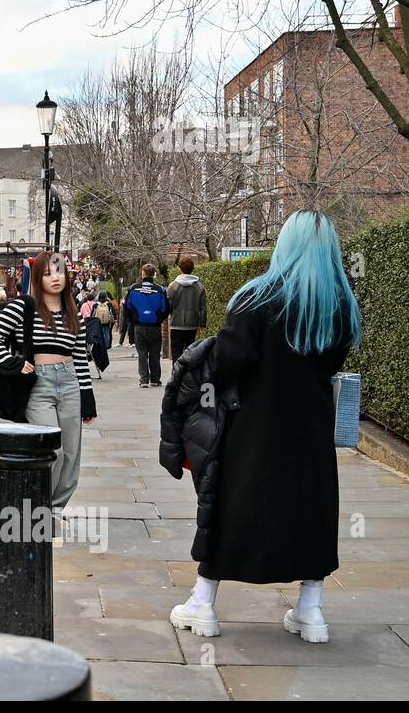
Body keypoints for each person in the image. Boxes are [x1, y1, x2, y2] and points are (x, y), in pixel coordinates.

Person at [169, 210, 360, 644]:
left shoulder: (257, 298)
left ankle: (203, 603)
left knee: (229, 506)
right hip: (311, 429)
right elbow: (331, 364)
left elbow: (228, 362)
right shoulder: (339, 304)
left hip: (252, 426)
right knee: (311, 509)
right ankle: (311, 609)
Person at [0, 251, 97, 524]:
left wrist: (87, 398)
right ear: (37, 278)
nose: (55, 278)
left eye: (59, 272)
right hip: (39, 385)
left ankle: (55, 510)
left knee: (71, 454)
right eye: (47, 274)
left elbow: (80, 358)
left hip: (69, 382)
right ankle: (40, 506)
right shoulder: (24, 306)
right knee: (51, 450)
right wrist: (12, 362)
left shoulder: (73, 312)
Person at [124, 264, 168, 388]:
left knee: (142, 354)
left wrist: (133, 320)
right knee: (155, 353)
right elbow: (166, 308)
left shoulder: (133, 288)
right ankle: (155, 379)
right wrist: (158, 319)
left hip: (139, 326)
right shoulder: (160, 290)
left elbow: (127, 306)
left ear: (142, 274)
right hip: (155, 326)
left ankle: (144, 380)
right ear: (154, 274)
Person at [167, 256, 207, 363]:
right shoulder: (199, 287)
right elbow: (203, 307)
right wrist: (202, 324)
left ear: (180, 268)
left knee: (176, 352)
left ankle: (176, 372)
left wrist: (169, 315)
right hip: (192, 324)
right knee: (190, 352)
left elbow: (168, 305)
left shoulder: (172, 286)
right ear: (193, 268)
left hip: (176, 323)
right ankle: (187, 372)